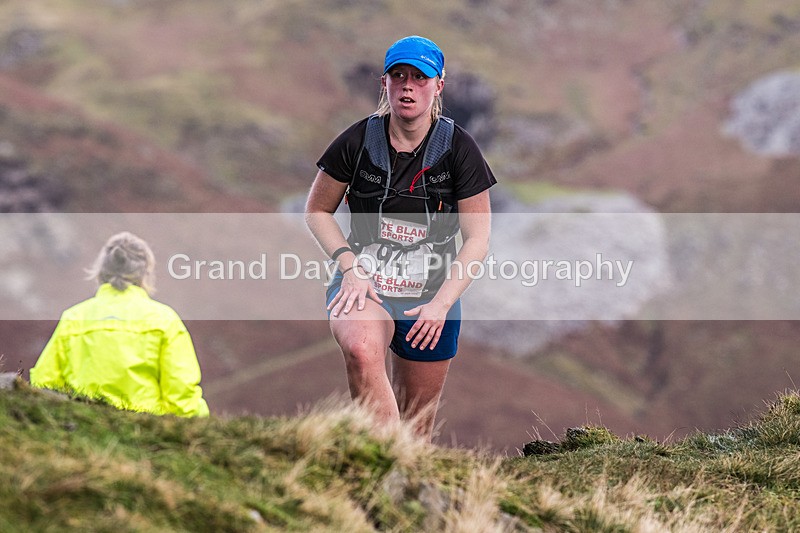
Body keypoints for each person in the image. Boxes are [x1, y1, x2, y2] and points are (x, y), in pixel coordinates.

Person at [305, 35, 496, 441]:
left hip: (431, 298)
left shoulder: (460, 149)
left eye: (419, 77)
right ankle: (389, 458)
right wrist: (349, 266)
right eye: (399, 76)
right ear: (385, 82)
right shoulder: (356, 142)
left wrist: (441, 304)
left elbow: (477, 239)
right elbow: (317, 210)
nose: (408, 86)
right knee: (360, 350)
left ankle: (400, 483)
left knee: (417, 428)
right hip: (364, 284)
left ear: (438, 85)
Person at [30, 231, 210, 418]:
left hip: (83, 429)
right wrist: (207, 427)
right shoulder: (164, 319)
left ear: (101, 271)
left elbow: (45, 384)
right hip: (145, 432)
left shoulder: (73, 318)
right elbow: (181, 397)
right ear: (145, 273)